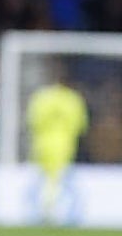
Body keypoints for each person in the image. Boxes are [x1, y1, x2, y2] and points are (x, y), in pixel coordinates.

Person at [26, 65, 88, 224]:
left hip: (41, 143)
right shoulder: (73, 99)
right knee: (57, 179)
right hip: (63, 144)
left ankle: (38, 210)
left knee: (43, 177)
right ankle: (52, 211)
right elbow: (81, 125)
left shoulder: (41, 97)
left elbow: (32, 121)